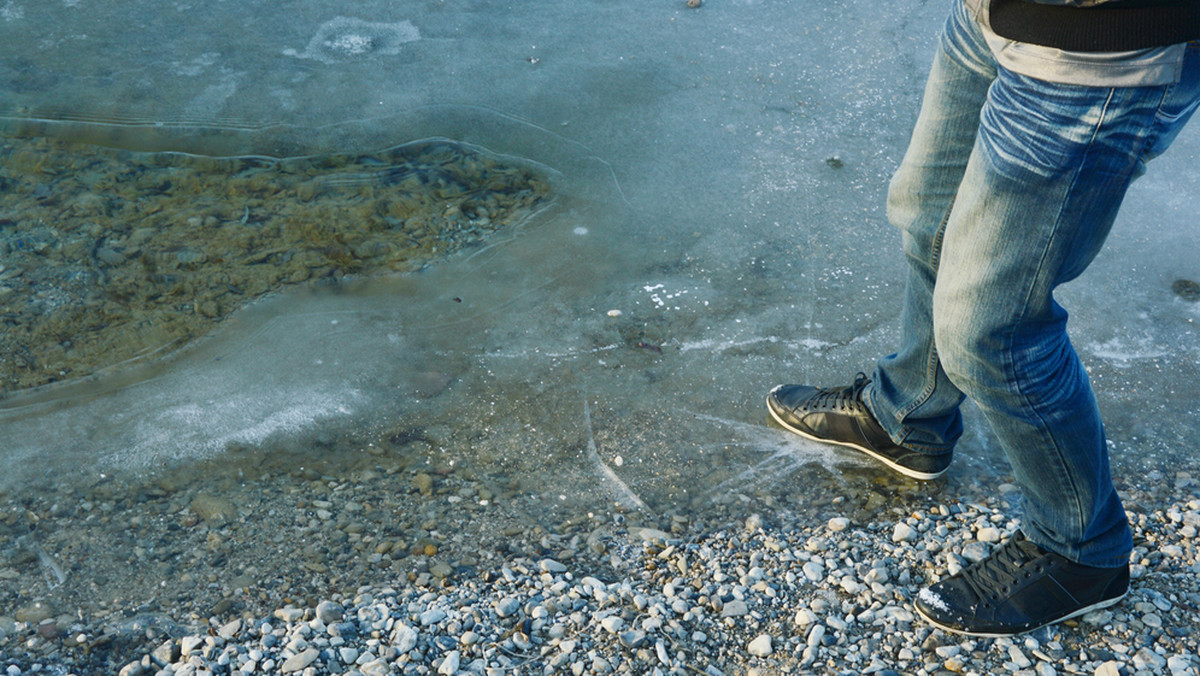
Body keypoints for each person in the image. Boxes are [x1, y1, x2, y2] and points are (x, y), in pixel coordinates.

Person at [767, 0, 1200, 637]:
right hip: (988, 18)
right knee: (928, 222)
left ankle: (1081, 551)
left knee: (993, 330)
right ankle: (908, 415)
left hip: (1099, 55)